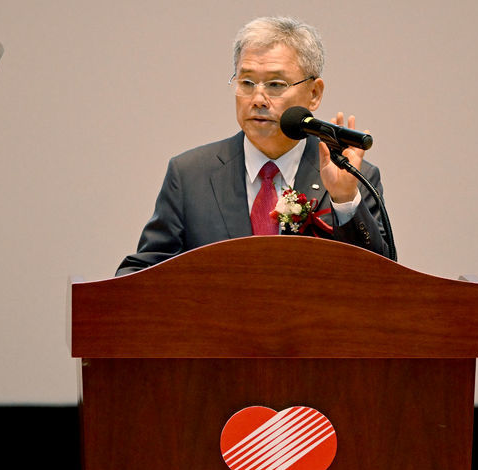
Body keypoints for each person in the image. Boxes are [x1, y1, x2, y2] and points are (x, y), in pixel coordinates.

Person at [116, 16, 392, 276]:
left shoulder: (355, 178)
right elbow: (142, 273)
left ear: (314, 93)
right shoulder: (190, 175)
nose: (258, 99)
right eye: (247, 82)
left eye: (275, 84)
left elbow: (380, 281)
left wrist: (344, 199)